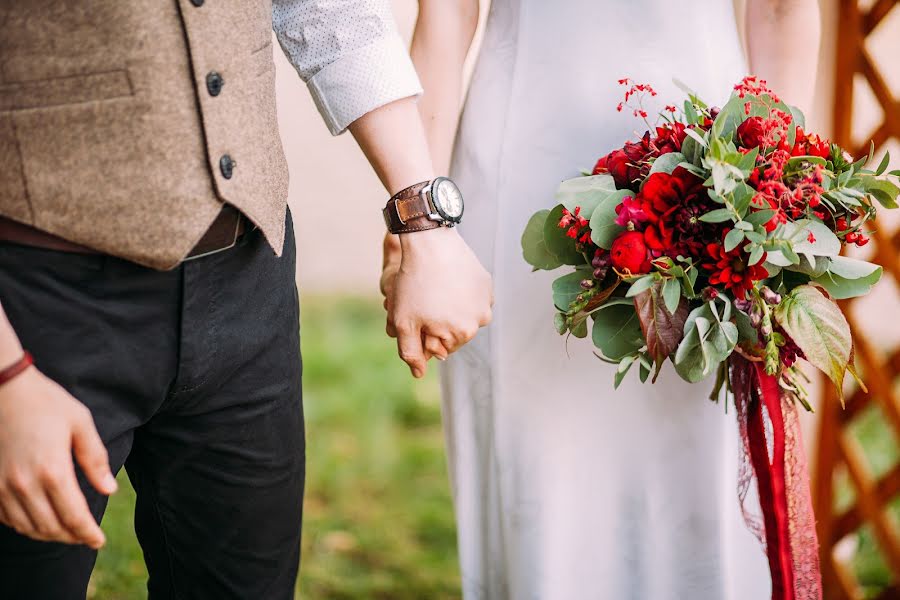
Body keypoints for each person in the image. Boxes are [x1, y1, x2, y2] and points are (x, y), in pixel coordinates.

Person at [0, 1, 491, 598]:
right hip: (33, 298)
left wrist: (424, 224)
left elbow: (327, 8)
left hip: (247, 279)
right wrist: (6, 377)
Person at [382, 0, 821, 597]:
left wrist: (776, 188)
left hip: (713, 177)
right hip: (522, 184)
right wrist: (415, 223)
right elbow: (447, 13)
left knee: (696, 477)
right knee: (540, 485)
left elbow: (781, 8)